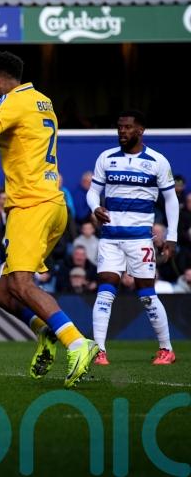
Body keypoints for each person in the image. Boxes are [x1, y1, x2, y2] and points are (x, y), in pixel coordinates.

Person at [0, 51, 98, 388]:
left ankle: (77, 342)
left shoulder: (11, 103)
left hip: (31, 205)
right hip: (53, 204)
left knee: (23, 284)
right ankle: (46, 332)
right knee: (5, 291)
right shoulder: (42, 100)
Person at [87, 110, 178, 366]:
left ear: (140, 130)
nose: (122, 131)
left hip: (140, 240)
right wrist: (95, 207)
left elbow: (171, 199)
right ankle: (99, 350)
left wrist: (171, 237)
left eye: (127, 127)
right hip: (110, 237)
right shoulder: (106, 158)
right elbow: (93, 192)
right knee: (105, 289)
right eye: (119, 127)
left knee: (147, 293)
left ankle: (166, 349)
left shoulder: (157, 161)